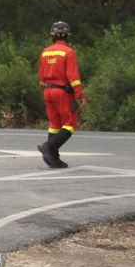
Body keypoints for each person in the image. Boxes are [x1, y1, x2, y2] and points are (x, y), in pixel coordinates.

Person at [38, 20, 87, 169]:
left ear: (52, 36)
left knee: (54, 124)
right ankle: (48, 147)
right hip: (62, 92)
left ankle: (53, 159)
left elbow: (41, 76)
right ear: (67, 36)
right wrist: (79, 96)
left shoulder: (45, 52)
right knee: (70, 124)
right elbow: (73, 77)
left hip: (47, 90)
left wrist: (47, 90)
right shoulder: (68, 52)